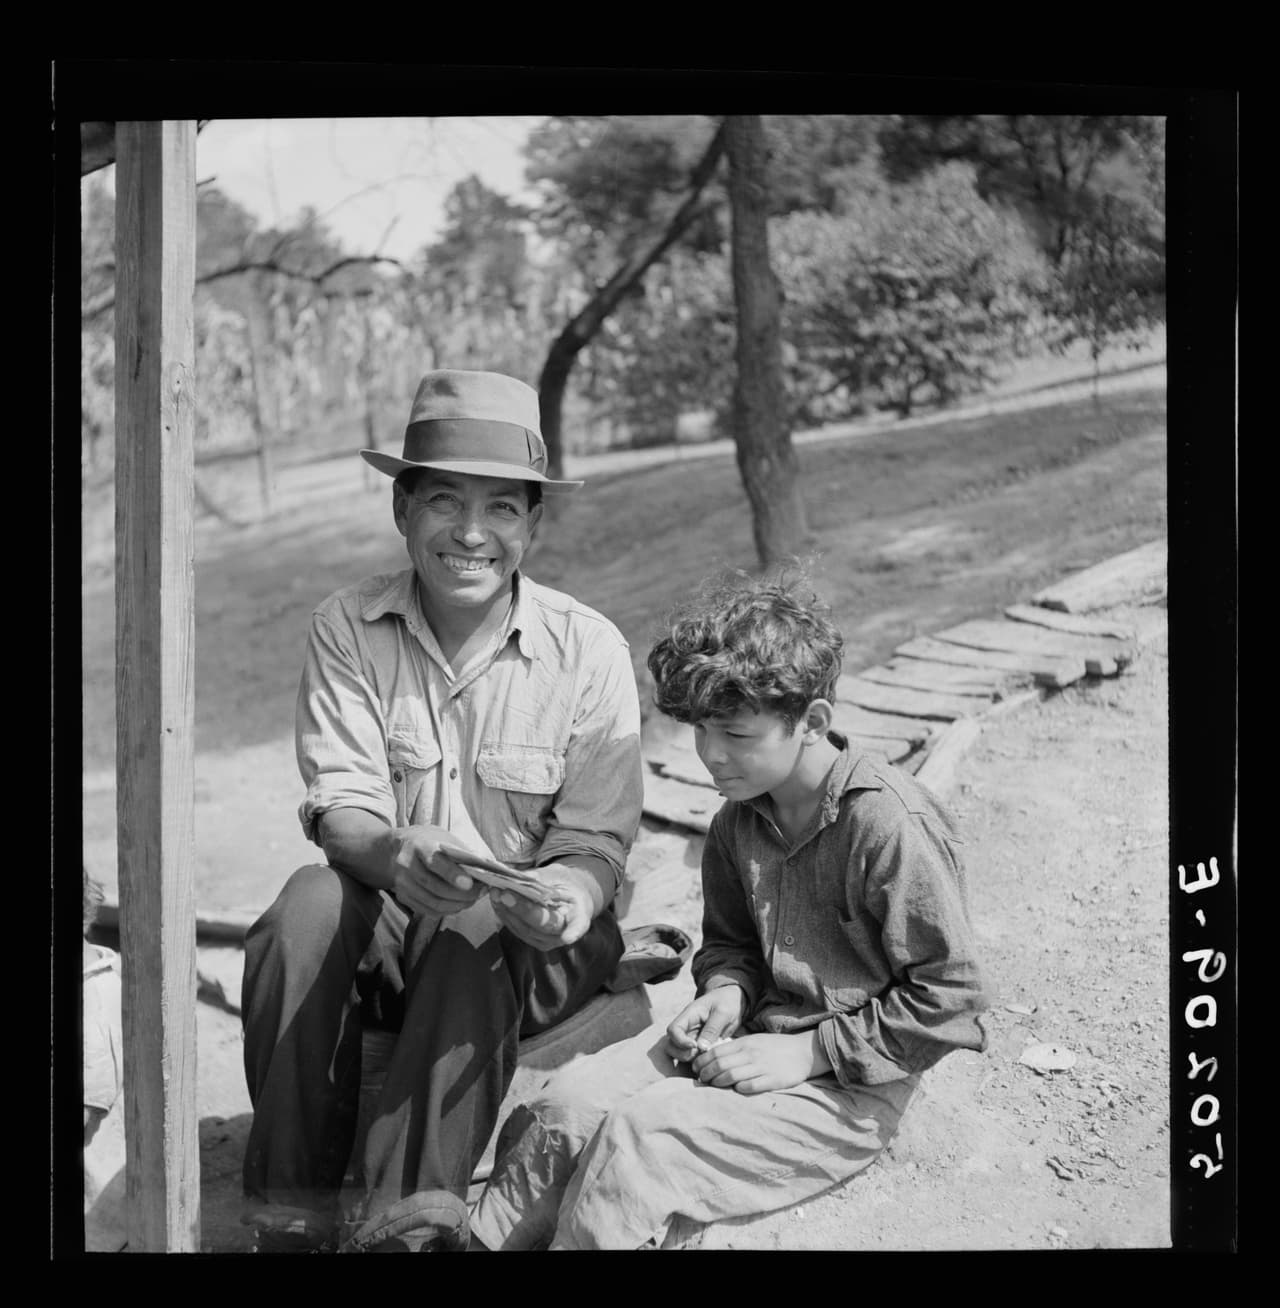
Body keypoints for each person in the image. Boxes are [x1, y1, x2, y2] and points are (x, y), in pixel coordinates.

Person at [239, 369, 645, 1253]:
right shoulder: (348, 624)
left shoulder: (590, 649)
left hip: (533, 951)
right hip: (393, 925)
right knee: (304, 905)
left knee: (474, 926)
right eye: (444, 502)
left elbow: (594, 844)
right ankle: (290, 1214)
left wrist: (567, 896)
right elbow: (340, 807)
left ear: (533, 524)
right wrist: (393, 851)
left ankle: (404, 1230)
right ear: (402, 508)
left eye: (502, 509)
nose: (471, 534)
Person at [468, 571, 993, 1250]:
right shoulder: (734, 823)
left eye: (737, 736)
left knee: (639, 1141)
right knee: (564, 1108)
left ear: (813, 723)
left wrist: (809, 1050)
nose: (712, 756)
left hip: (850, 1087)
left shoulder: (888, 825)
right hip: (746, 1041)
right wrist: (726, 989)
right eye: (702, 732)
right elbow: (732, 945)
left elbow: (953, 1000)